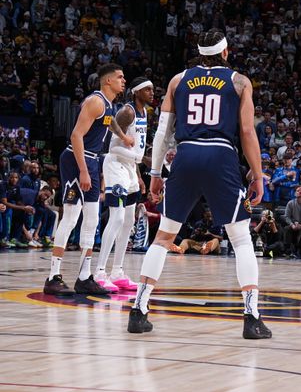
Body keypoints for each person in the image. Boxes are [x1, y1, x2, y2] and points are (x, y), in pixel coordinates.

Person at [127, 30, 270, 340]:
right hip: (221, 155)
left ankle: (138, 311)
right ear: (226, 52)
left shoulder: (178, 80)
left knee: (164, 237)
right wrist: (258, 174)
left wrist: (154, 174)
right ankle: (252, 317)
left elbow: (163, 133)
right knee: (241, 239)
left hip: (186, 153)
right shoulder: (240, 81)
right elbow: (247, 131)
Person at [44, 63, 132, 296]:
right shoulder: (96, 102)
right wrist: (83, 170)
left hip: (92, 161)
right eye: (120, 77)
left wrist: (122, 136)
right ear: (107, 81)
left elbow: (109, 122)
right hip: (76, 159)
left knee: (92, 219)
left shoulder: (110, 105)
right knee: (72, 216)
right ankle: (53, 277)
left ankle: (84, 277)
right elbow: (76, 135)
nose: (124, 80)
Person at [94, 77, 154, 292]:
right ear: (136, 92)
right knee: (117, 217)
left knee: (129, 220)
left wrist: (137, 174)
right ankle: (99, 272)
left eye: (152, 90)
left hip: (129, 169)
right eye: (147, 90)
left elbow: (135, 148)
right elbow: (111, 137)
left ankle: (117, 272)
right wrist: (139, 158)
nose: (152, 93)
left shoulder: (145, 112)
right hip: (115, 166)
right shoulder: (128, 111)